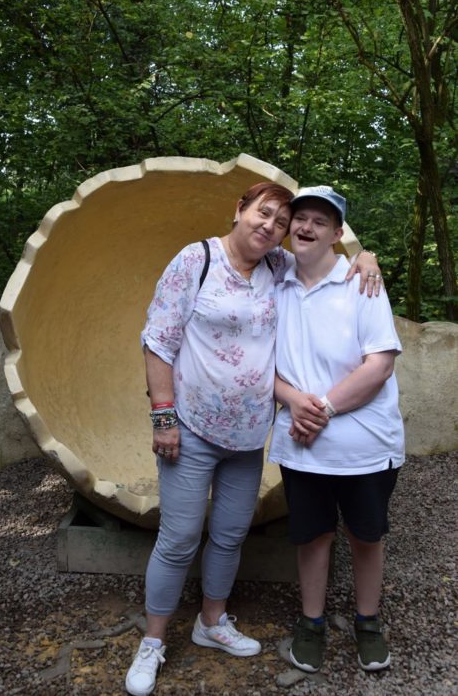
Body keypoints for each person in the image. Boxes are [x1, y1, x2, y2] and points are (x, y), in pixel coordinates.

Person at [125, 182, 382, 696]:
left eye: (281, 222)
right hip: (190, 428)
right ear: (239, 210)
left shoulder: (277, 267)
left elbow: (323, 258)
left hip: (246, 437)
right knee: (179, 539)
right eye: (263, 213)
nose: (271, 226)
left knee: (228, 535)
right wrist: (163, 417)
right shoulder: (196, 259)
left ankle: (211, 621)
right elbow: (158, 340)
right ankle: (152, 641)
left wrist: (365, 256)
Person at [269, 185, 404, 675]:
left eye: (320, 221)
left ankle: (368, 621)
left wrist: (321, 409)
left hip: (364, 445)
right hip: (302, 447)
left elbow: (379, 366)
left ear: (336, 234)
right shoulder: (274, 279)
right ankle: (312, 623)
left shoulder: (361, 282)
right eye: (300, 218)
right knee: (313, 536)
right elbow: (259, 364)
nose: (306, 227)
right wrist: (291, 400)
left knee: (366, 535)